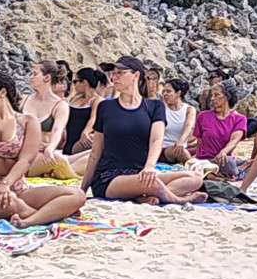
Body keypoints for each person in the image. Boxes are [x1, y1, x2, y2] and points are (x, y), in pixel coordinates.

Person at [0, 68, 87, 226]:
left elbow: (26, 160)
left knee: (76, 195)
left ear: (2, 92)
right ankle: (44, 215)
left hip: (16, 188)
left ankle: (30, 220)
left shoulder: (27, 122)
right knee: (11, 203)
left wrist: (5, 185)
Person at [78, 56, 207, 205]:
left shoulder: (154, 106)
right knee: (153, 184)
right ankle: (179, 200)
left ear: (136, 75)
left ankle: (142, 196)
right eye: (114, 73)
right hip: (110, 177)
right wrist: (83, 189)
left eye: (121, 72)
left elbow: (156, 139)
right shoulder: (106, 107)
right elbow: (95, 152)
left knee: (196, 178)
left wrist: (150, 166)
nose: (115, 77)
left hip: (141, 173)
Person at [192, 78, 251, 175]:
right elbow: (199, 142)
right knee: (229, 164)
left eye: (216, 95)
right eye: (212, 95)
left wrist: (223, 151)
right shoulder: (203, 116)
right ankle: (238, 172)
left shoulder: (239, 118)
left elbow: (234, 140)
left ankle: (228, 174)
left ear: (227, 97)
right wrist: (197, 159)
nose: (212, 99)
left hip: (224, 160)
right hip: (206, 161)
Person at [155, 77, 195, 164]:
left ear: (178, 93)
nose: (165, 94)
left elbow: (189, 125)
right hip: (164, 148)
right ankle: (198, 169)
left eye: (168, 91)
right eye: (164, 91)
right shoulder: (161, 109)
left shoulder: (189, 109)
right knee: (182, 153)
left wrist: (181, 140)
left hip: (182, 146)